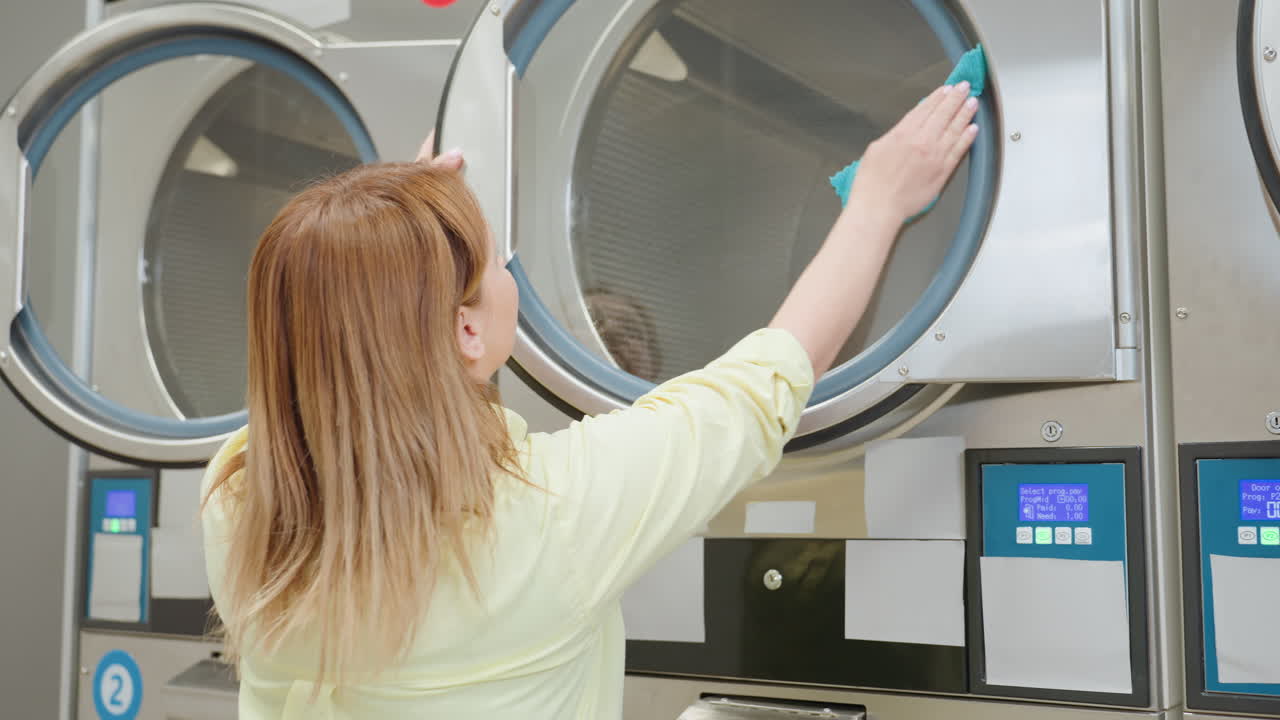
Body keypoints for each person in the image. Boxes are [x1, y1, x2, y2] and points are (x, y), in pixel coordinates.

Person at [200, 82, 980, 719]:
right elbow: (761, 386)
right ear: (467, 331)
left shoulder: (237, 509)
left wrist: (389, 233)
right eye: (495, 261)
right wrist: (879, 201)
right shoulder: (551, 518)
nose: (508, 269)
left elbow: (340, 350)